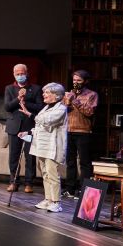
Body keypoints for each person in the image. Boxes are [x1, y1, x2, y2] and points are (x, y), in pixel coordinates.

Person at [28, 83, 69, 213]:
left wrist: (35, 117)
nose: (43, 94)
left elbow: (47, 121)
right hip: (41, 146)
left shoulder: (61, 109)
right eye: (44, 92)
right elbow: (41, 124)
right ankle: (48, 199)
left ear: (56, 96)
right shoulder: (45, 108)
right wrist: (30, 132)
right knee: (44, 173)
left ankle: (56, 202)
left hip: (53, 146)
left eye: (47, 92)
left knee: (52, 174)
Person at [4, 64, 43, 193]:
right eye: (17, 74)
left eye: (22, 73)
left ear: (27, 73)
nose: (20, 76)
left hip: (29, 127)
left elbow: (40, 107)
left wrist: (26, 103)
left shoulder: (36, 89)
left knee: (29, 156)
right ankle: (13, 182)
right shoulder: (9, 88)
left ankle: (29, 183)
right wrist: (18, 99)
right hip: (14, 126)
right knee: (13, 156)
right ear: (14, 74)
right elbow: (7, 107)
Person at [62, 70, 98, 198]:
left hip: (83, 131)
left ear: (85, 81)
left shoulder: (92, 95)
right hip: (69, 130)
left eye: (79, 80)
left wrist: (75, 101)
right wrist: (65, 103)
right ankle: (70, 189)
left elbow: (89, 112)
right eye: (74, 80)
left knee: (84, 162)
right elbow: (62, 112)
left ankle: (84, 190)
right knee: (70, 162)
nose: (76, 83)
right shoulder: (69, 94)